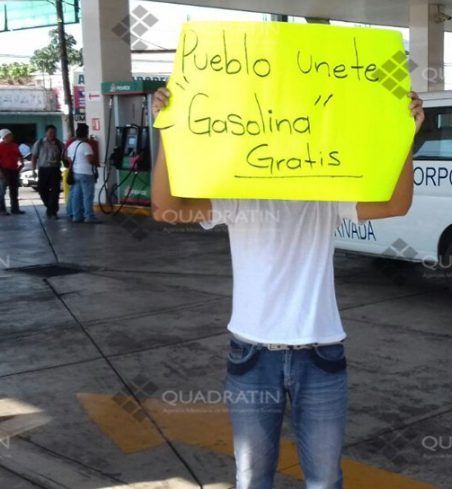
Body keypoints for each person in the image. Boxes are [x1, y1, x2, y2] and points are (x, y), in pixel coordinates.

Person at [150, 88, 423, 489]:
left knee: (325, 480)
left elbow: (395, 205)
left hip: (321, 356)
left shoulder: (326, 191)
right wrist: (168, 129)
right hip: (252, 356)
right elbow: (165, 208)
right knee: (252, 478)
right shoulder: (239, 192)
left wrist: (405, 136)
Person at [31, 125, 66, 218]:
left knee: (55, 191)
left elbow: (64, 157)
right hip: (43, 169)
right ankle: (51, 207)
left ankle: (52, 211)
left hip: (55, 169)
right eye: (50, 132)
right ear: (46, 133)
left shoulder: (59, 144)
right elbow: (34, 156)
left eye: (54, 132)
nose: (52, 134)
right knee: (42, 190)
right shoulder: (40, 143)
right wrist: (33, 169)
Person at [65, 128, 98, 223]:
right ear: (86, 134)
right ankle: (89, 216)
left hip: (76, 172)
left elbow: (68, 158)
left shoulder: (72, 145)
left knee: (76, 195)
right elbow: (90, 160)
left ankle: (76, 216)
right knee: (88, 196)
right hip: (86, 173)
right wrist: (95, 161)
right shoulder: (86, 145)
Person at [0, 128, 24, 216]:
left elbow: (19, 155)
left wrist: (22, 164)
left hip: (14, 170)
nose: (11, 137)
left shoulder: (14, 145)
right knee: (2, 191)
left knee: (14, 191)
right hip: (3, 170)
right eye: (10, 135)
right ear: (5, 137)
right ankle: (2, 210)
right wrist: (0, 171)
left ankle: (15, 209)